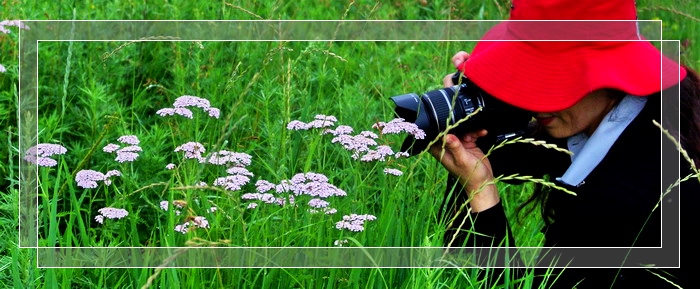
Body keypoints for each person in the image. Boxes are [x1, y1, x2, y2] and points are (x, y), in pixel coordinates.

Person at [430, 0, 700, 288]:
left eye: (552, 80)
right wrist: (480, 113)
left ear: (611, 74)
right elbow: (457, 253)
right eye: (527, 72)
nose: (534, 100)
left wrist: (480, 194)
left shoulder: (631, 192)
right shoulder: (654, 116)